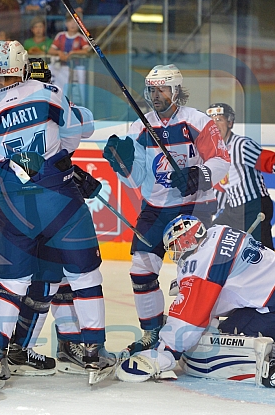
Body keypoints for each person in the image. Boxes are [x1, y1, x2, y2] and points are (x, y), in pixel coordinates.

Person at [0, 40, 115, 384]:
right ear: (25, 65)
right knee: (84, 276)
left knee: (9, 284)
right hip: (58, 198)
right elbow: (78, 132)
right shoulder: (49, 92)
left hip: (13, 206)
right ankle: (93, 350)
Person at [102, 64, 230, 356]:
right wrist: (119, 162)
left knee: (195, 273)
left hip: (195, 205)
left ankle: (203, 328)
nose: (155, 95)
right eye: (151, 90)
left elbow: (221, 159)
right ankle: (152, 332)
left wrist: (198, 175)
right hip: (156, 208)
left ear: (176, 91)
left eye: (162, 89)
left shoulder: (196, 121)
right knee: (141, 269)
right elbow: (134, 179)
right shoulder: (139, 127)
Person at [117, 215, 275, 387]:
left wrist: (164, 353)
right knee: (236, 319)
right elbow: (229, 289)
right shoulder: (220, 231)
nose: (176, 254)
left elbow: (190, 317)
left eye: (175, 247)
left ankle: (273, 363)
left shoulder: (198, 264)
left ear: (185, 242)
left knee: (219, 339)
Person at [206, 103, 275, 249]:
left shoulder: (241, 145)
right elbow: (222, 186)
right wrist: (211, 209)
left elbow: (269, 161)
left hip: (254, 206)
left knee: (262, 253)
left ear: (230, 122)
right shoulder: (215, 153)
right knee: (211, 236)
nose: (215, 125)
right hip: (234, 209)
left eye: (219, 119)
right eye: (211, 121)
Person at [48, 14, 91, 103]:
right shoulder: (60, 36)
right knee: (61, 90)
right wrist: (59, 52)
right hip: (62, 68)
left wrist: (73, 53)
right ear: (66, 24)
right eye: (70, 22)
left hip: (77, 69)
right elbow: (51, 50)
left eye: (75, 22)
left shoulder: (81, 37)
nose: (73, 25)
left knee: (78, 92)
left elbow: (87, 51)